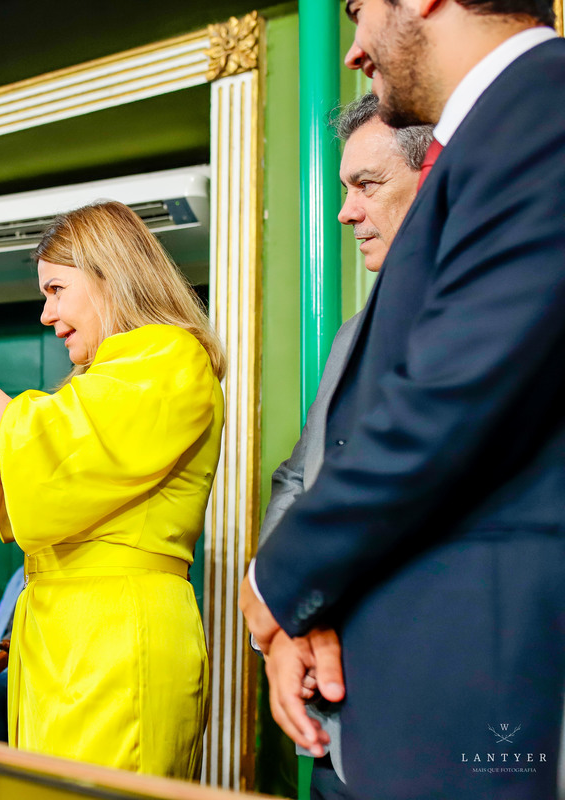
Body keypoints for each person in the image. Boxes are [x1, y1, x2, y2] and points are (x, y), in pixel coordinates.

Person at [240, 0, 565, 795]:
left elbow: (454, 400)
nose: (353, 48)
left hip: (483, 678)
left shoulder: (540, 107)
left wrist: (277, 582)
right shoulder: (496, 132)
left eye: (358, 10)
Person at [0, 201, 225, 777]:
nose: (47, 314)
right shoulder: (108, 377)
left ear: (110, 275)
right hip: (62, 635)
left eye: (56, 289)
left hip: (119, 638)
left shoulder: (169, 357)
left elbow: (6, 446)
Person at [258, 92, 430, 800]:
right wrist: (277, 629)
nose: (345, 212)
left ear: (439, 176)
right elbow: (298, 481)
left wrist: (278, 594)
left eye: (367, 185)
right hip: (336, 740)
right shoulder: (350, 337)